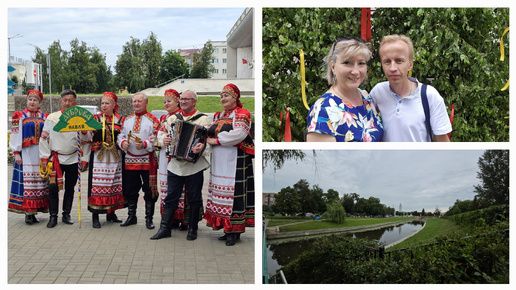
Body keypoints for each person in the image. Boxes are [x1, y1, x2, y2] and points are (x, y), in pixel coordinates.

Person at [150, 90, 211, 241]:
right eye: (182, 99)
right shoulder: (172, 118)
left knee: (195, 198)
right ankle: (165, 228)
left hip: (194, 166)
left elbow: (208, 141)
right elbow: (161, 133)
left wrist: (201, 148)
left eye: (187, 99)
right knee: (171, 196)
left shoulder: (203, 119)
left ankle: (193, 229)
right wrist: (163, 138)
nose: (183, 102)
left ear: (194, 102)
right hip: (175, 165)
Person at [370, 34, 452, 142]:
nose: (393, 68)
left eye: (399, 61)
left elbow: (443, 145)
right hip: (387, 159)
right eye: (387, 62)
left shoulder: (429, 96)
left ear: (410, 64)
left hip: (420, 159)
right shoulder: (378, 92)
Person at [205, 84, 255, 246]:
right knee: (222, 193)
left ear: (235, 97)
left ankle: (234, 231)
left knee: (235, 194)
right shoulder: (218, 115)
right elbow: (209, 132)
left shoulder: (243, 113)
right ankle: (227, 229)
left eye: (226, 95)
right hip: (219, 160)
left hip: (235, 159)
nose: (223, 99)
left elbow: (239, 134)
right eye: (221, 96)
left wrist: (217, 140)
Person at [306, 37, 383, 142]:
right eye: (347, 63)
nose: (355, 71)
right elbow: (321, 158)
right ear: (333, 67)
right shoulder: (323, 109)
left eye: (361, 63)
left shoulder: (365, 96)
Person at [39, 90, 92, 228]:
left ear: (75, 102)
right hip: (56, 159)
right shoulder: (52, 118)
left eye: (70, 100)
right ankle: (53, 216)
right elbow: (43, 138)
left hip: (74, 158)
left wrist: (84, 158)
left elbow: (86, 141)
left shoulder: (81, 119)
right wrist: (44, 157)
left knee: (70, 187)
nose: (67, 103)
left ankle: (66, 214)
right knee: (52, 188)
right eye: (65, 100)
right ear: (61, 101)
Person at [117, 92, 160, 229]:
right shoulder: (127, 120)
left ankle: (149, 219)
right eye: (134, 101)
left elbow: (157, 139)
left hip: (147, 160)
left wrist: (145, 144)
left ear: (146, 103)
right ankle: (131, 216)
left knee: (149, 190)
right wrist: (122, 142)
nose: (136, 104)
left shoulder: (153, 120)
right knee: (130, 189)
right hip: (130, 159)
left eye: (139, 101)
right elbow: (121, 135)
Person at [8, 90, 49, 224]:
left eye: (35, 100)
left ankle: (34, 211)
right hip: (26, 153)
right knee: (28, 183)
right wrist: (16, 153)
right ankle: (28, 213)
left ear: (39, 103)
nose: (32, 102)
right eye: (30, 100)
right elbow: (15, 135)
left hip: (40, 153)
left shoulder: (44, 116)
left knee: (39, 183)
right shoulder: (19, 116)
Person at [87, 92, 125, 228]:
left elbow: (123, 136)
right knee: (97, 186)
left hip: (115, 157)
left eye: (106, 103)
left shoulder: (120, 120)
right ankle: (95, 216)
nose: (103, 105)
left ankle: (111, 213)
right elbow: (87, 136)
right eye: (102, 103)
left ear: (114, 105)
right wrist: (85, 132)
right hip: (99, 157)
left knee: (113, 184)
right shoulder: (95, 118)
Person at [155, 89, 187, 230]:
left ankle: (183, 220)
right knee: (166, 188)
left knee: (181, 189)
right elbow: (158, 135)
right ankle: (170, 219)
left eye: (169, 101)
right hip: (164, 156)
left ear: (177, 102)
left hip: (177, 157)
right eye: (164, 101)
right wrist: (162, 139)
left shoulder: (182, 116)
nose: (166, 103)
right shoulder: (163, 118)